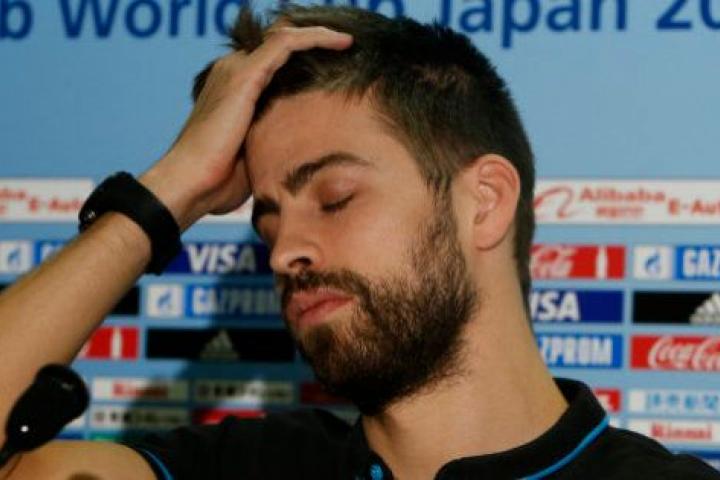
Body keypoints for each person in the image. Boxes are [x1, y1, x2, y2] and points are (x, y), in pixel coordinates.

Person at [0, 5, 717, 480]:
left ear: (485, 202)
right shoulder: (246, 468)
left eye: (335, 198)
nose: (285, 252)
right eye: (268, 222)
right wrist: (168, 193)